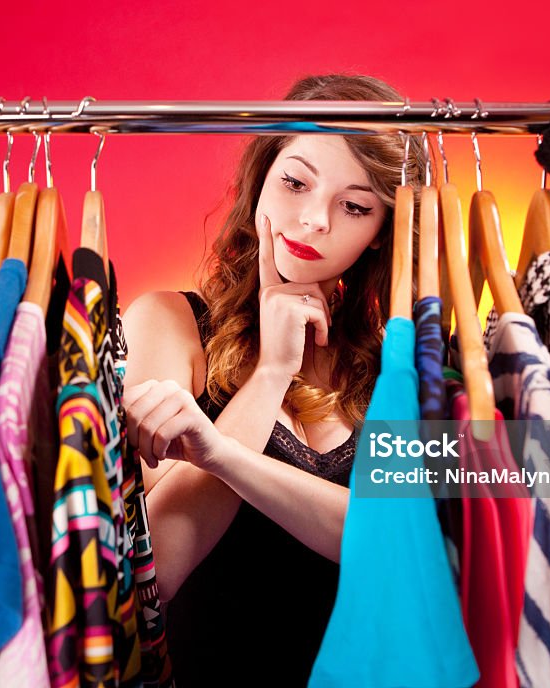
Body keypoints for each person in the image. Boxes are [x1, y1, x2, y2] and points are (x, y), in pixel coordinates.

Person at [122, 74, 427, 685]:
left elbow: (390, 546)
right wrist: (270, 374)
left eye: (356, 205)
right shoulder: (169, 322)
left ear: (379, 233)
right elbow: (156, 571)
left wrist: (223, 457)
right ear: (261, 176)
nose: (314, 220)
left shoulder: (396, 366)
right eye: (295, 182)